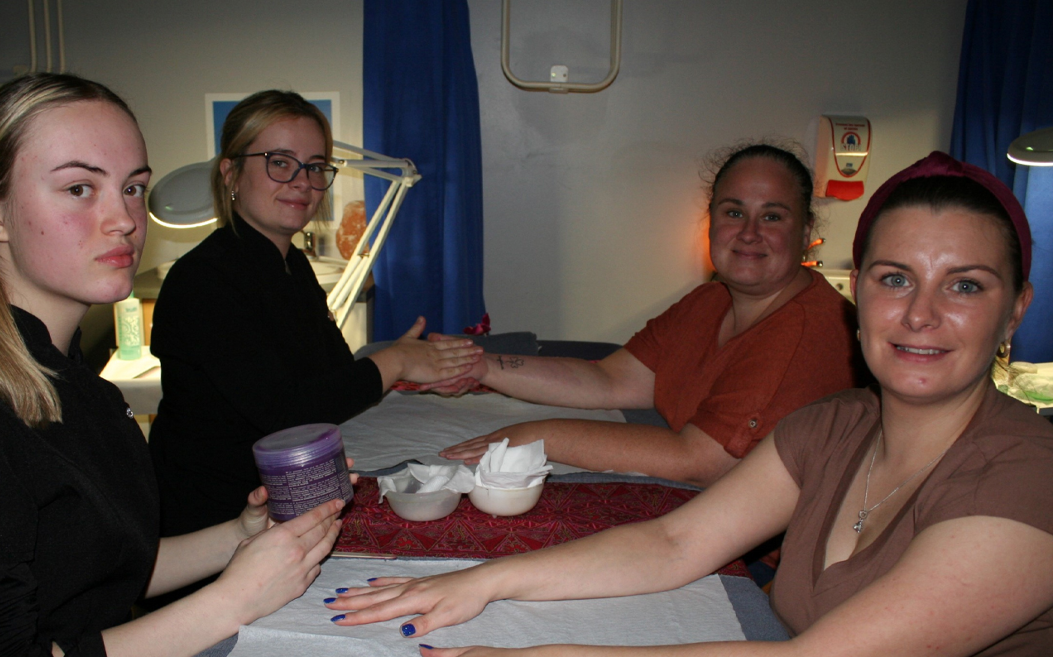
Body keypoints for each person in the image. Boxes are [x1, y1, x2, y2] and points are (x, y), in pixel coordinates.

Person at [326, 152, 1053, 656]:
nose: (920, 313)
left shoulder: (1028, 477)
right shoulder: (835, 427)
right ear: (856, 292)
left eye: (965, 285)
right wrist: (480, 583)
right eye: (895, 279)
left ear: (1015, 310)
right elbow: (676, 542)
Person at [0, 73, 348, 657]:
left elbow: (99, 568)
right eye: (78, 189)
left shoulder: (66, 375)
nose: (124, 218)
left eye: (132, 188)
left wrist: (238, 537)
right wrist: (229, 601)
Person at [148, 90, 483, 541]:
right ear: (231, 172)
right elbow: (285, 412)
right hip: (211, 521)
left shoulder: (292, 265)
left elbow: (334, 378)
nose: (302, 181)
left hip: (283, 498)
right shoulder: (204, 282)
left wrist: (409, 365)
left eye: (315, 166)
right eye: (279, 162)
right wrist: (396, 362)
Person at [436, 143, 860, 487]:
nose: (749, 232)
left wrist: (535, 436)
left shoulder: (806, 333)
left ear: (805, 234)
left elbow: (698, 461)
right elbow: (611, 380)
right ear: (710, 223)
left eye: (772, 216)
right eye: (734, 212)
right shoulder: (709, 302)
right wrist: (481, 365)